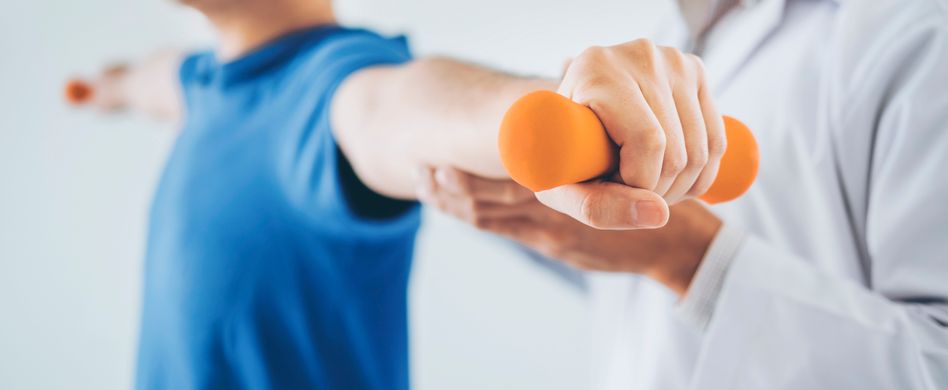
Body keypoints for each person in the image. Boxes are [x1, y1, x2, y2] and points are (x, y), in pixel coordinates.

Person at [69, 0, 726, 388]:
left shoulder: (332, 90)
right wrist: (107, 89)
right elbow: (154, 79)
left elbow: (407, 107)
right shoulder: (201, 81)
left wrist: (547, 108)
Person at [420, 0, 948, 388]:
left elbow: (936, 363)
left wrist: (692, 260)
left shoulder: (915, 38)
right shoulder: (678, 33)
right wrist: (547, 225)